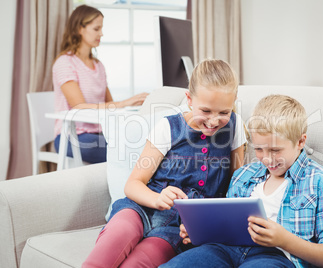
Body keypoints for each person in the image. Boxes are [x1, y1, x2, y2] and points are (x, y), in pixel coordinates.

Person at [82, 58, 247, 267]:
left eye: (224, 112)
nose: (214, 121)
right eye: (205, 111)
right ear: (189, 99)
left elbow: (236, 187)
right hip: (140, 209)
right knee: (113, 242)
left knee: (138, 262)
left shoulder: (235, 127)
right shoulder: (168, 127)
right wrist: (157, 198)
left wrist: (207, 225)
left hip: (178, 228)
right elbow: (133, 184)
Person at [162, 95, 323, 268]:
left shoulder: (322, 181)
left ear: (300, 142)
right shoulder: (243, 175)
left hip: (276, 256)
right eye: (259, 149)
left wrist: (284, 240)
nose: (267, 159)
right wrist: (199, 231)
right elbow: (225, 226)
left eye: (275, 150)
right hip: (224, 249)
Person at [52, 5, 149, 164]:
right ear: (79, 29)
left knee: (142, 143)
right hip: (72, 136)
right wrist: (125, 102)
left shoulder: (98, 66)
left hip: (100, 132)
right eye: (96, 28)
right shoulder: (64, 63)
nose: (101, 33)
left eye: (101, 28)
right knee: (127, 151)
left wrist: (130, 107)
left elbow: (109, 104)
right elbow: (79, 106)